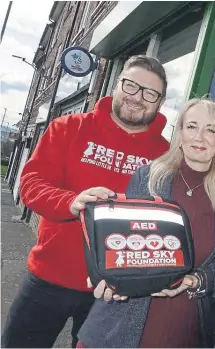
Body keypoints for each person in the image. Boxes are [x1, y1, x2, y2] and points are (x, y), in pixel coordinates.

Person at [1, 55, 171, 348]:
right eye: (131, 86)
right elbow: (31, 183)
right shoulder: (68, 127)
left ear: (160, 101)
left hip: (113, 292)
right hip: (48, 278)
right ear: (117, 85)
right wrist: (70, 201)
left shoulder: (166, 155)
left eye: (150, 93)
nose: (138, 97)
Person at [76, 98, 215, 348]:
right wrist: (107, 276)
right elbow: (122, 243)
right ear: (180, 134)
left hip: (183, 325)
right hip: (122, 323)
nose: (200, 137)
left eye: (211, 130)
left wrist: (194, 281)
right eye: (192, 126)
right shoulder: (148, 177)